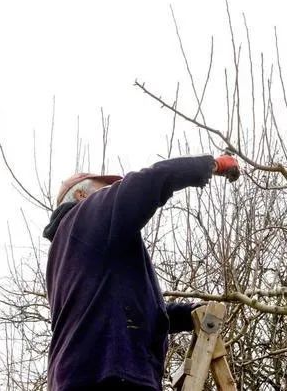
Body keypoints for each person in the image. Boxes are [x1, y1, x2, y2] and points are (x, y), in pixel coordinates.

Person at [42, 153, 240, 391]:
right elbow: (147, 182)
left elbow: (123, 309)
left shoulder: (71, 250)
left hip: (79, 376)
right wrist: (210, 165)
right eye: (106, 188)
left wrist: (186, 315)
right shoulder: (87, 215)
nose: (113, 190)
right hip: (108, 373)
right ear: (82, 195)